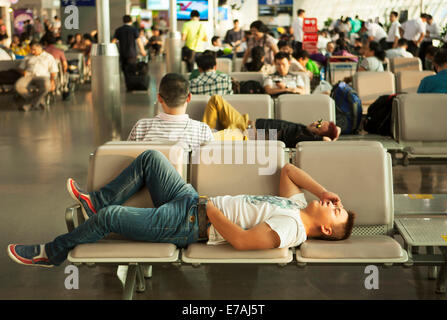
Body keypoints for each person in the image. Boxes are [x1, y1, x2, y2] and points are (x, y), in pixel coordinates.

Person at [7, 144, 356, 268]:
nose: (331, 204)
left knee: (111, 219)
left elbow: (244, 242)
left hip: (192, 222)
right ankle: (95, 201)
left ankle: (52, 252)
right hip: (191, 201)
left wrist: (211, 209)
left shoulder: (293, 228)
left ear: (325, 229)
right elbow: (289, 169)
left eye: (335, 210)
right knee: (152, 160)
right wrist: (327, 191)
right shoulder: (295, 204)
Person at [128, 73, 214, 150]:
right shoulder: (203, 130)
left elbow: (128, 158)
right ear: (189, 98)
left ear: (159, 98)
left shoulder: (141, 127)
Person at [15, 41, 58, 111]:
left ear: (40, 48)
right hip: (29, 76)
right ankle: (39, 101)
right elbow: (20, 68)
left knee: (47, 86)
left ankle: (30, 105)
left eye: (34, 50)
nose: (32, 52)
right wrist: (24, 72)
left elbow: (53, 71)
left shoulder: (48, 57)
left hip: (43, 77)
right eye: (31, 49)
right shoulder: (28, 56)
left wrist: (52, 81)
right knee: (18, 86)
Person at [112, 15, 147, 80]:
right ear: (131, 21)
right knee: (132, 69)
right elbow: (139, 41)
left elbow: (113, 41)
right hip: (132, 53)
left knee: (125, 69)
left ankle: (127, 82)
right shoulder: (134, 29)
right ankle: (132, 83)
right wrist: (142, 50)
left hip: (122, 53)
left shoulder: (119, 30)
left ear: (123, 21)